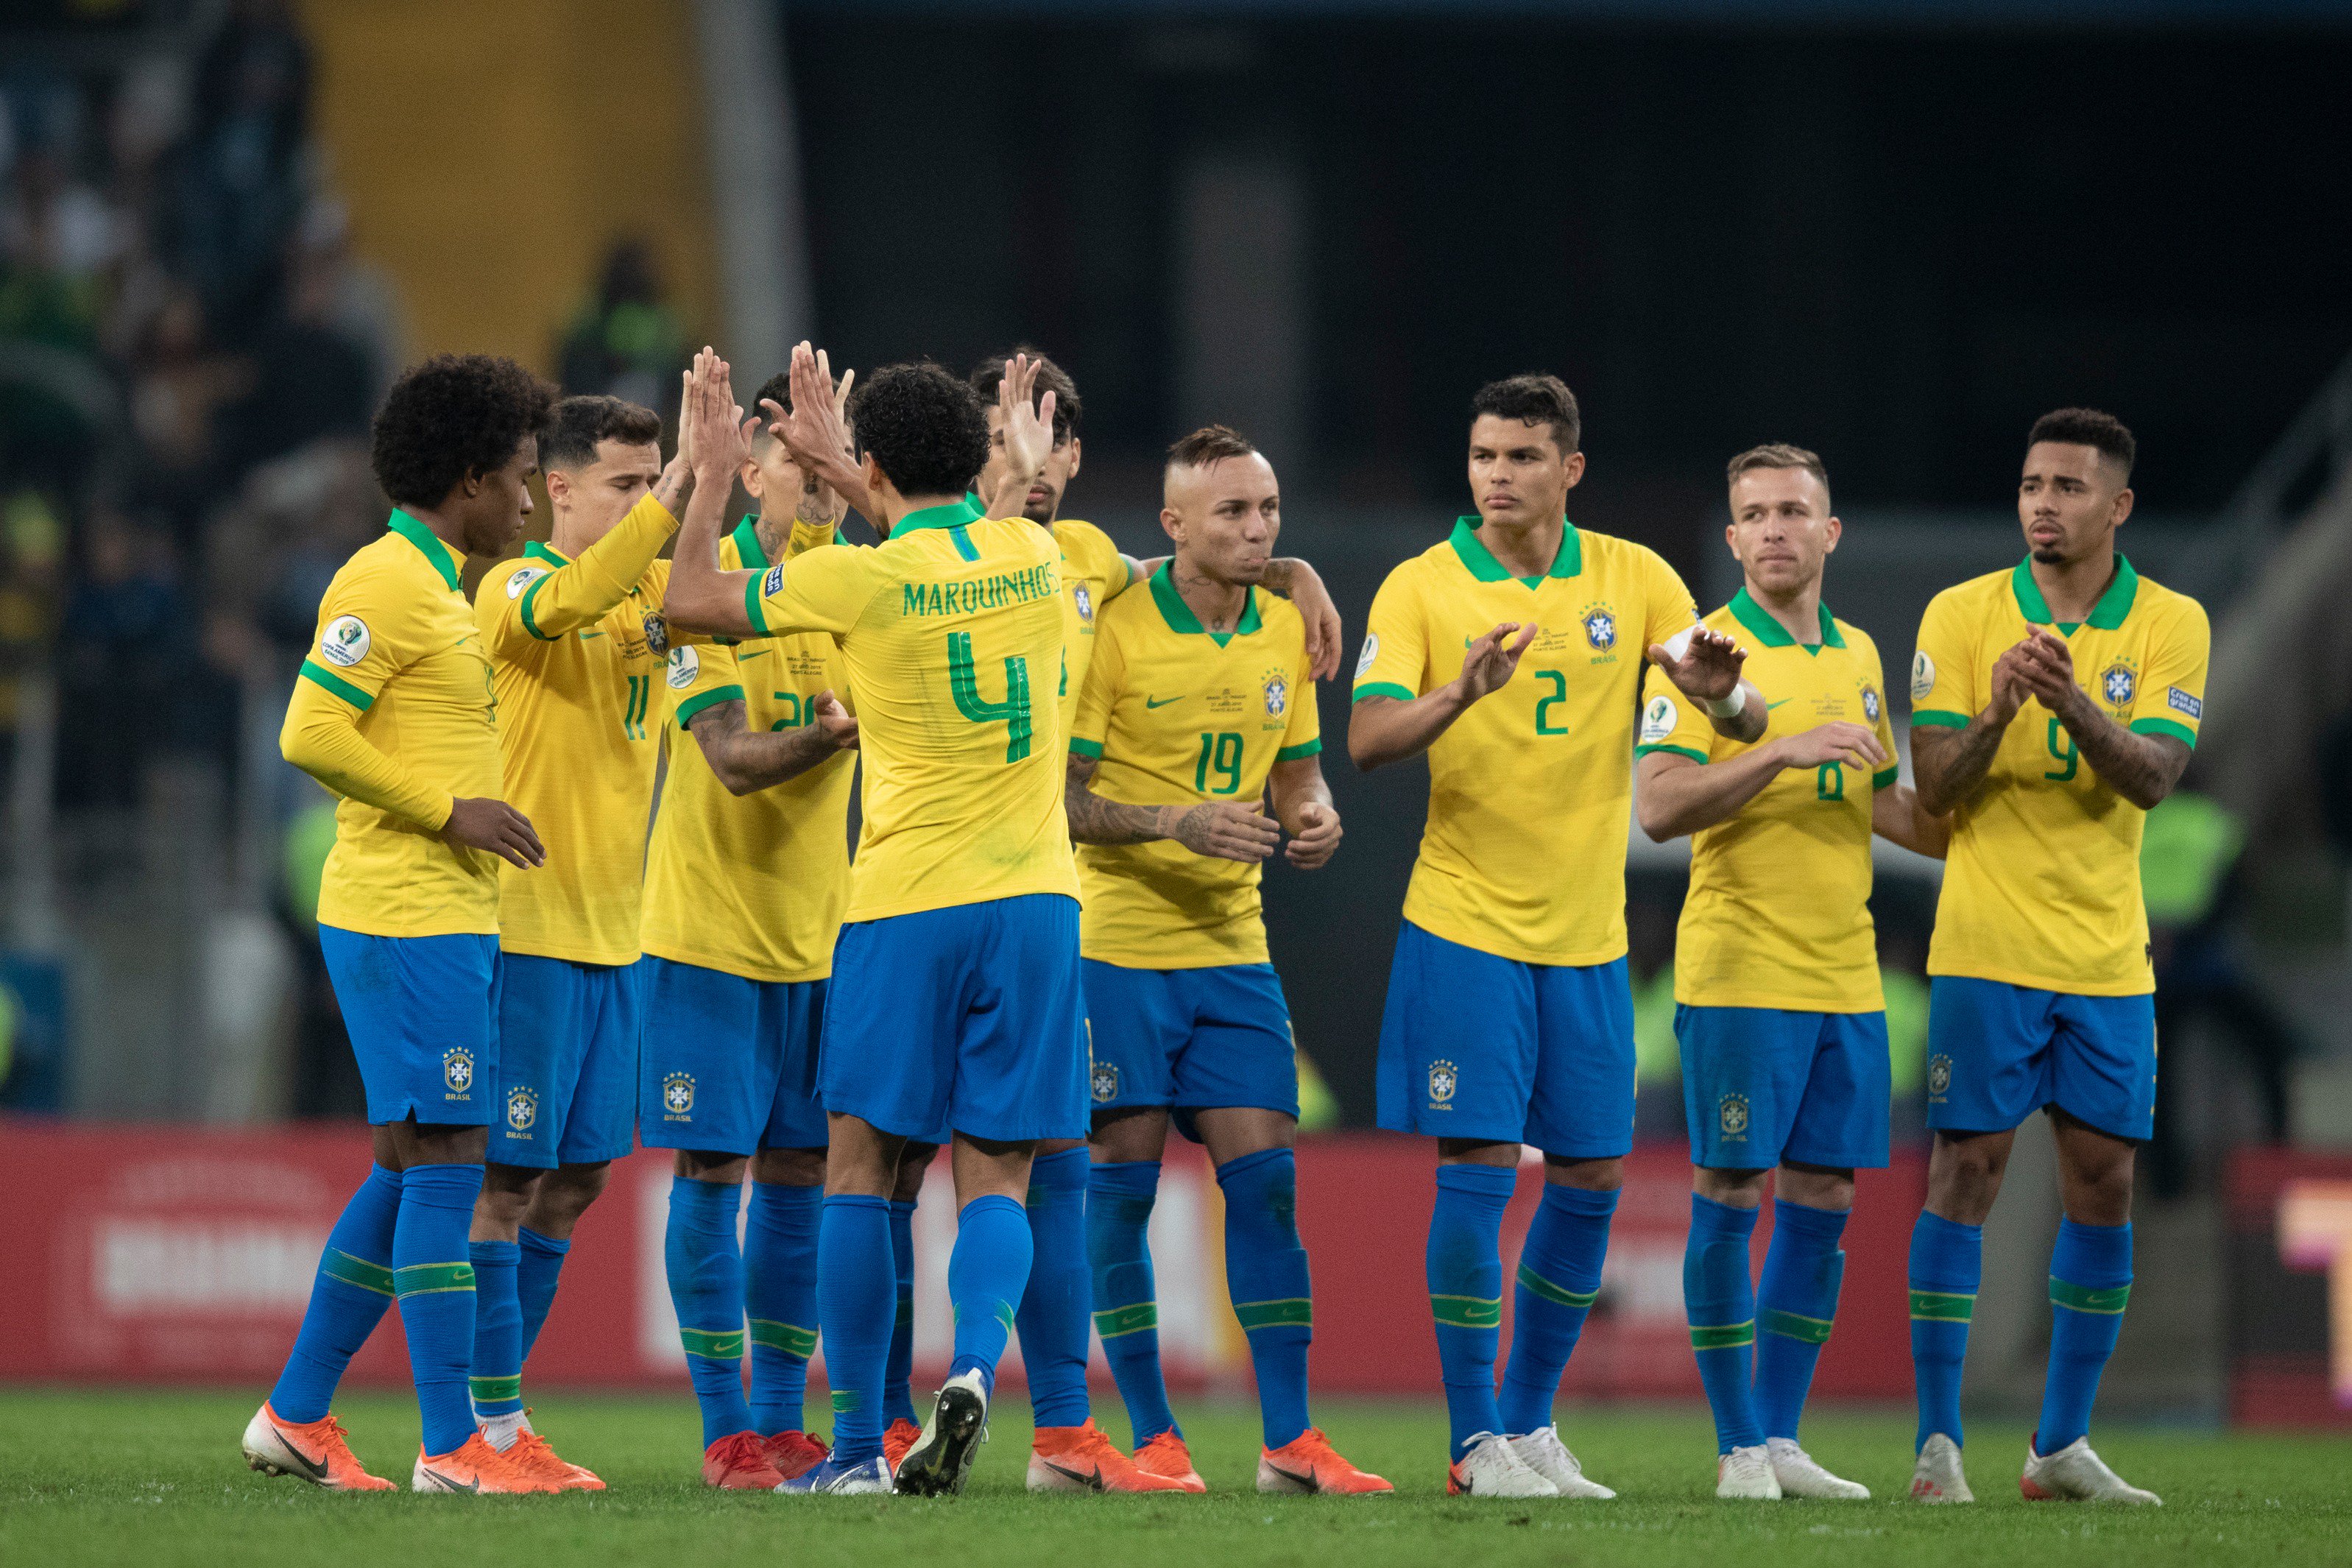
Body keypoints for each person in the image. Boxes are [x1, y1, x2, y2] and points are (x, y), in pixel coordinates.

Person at [793, 347, 1343, 1483]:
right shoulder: (1037, 557)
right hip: (1057, 907)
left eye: (1038, 439)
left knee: (989, 1168)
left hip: (949, 900)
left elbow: (1201, 549)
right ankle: (911, 1421)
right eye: (997, 441)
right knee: (949, 1172)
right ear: (973, 455)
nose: (1021, 464)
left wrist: (1287, 570)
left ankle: (1053, 1428)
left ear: (1074, 455)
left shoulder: (1089, 558)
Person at [665, 347, 1081, 1497]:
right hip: (1041, 903)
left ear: (876, 463)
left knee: (860, 1166)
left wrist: (712, 476)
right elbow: (954, 530)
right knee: (996, 1172)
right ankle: (977, 1366)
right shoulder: (1035, 551)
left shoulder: (860, 582)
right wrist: (864, 469)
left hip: (908, 906)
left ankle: (855, 1450)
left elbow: (687, 599)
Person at [1349, 373, 1765, 1499]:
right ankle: (1475, 1438)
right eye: (1484, 453)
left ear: (1569, 468)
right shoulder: (1423, 586)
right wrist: (1459, 693)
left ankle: (1530, 1427)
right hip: (1465, 923)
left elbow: (1738, 705)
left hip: (1585, 938)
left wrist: (1728, 702)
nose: (1497, 474)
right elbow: (1370, 736)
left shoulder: (1636, 578)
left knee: (1592, 1173)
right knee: (1479, 1163)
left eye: (1523, 456)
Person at [242, 353, 555, 1494]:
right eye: (520, 477)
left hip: (445, 916)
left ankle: (296, 1413)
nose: (530, 499)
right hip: (404, 912)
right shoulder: (382, 581)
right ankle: (451, 1445)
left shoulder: (441, 585)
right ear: (469, 478)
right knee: (448, 1160)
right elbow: (308, 731)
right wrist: (448, 809)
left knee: (408, 1159)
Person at [1065, 424, 1388, 1495]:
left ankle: (1290, 1440)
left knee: (1269, 1187)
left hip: (1233, 948)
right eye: (1233, 514)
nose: (1258, 533)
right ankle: (1155, 1436)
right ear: (1173, 527)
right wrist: (1175, 822)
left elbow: (1296, 772)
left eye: (1268, 513)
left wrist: (1318, 813)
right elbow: (1061, 800)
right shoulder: (1112, 628)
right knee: (1121, 1193)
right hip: (1116, 944)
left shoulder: (1285, 627)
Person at [1632, 444, 1949, 1500]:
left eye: (1793, 510)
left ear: (1830, 531)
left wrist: (1984, 823)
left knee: (1823, 1196)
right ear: (1731, 538)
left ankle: (1781, 1435)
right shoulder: (1698, 653)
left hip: (1846, 973)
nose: (1773, 528)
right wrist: (1775, 746)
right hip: (1740, 964)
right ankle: (1735, 1448)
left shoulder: (1861, 650)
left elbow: (1880, 802)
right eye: (1754, 513)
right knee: (1731, 1188)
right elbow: (1662, 806)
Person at [1904, 407, 2206, 1508]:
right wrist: (1999, 706)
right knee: (1965, 1172)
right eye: (2032, 482)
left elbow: (2155, 776)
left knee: (2105, 1182)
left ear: (2117, 506)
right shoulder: (1963, 611)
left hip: (2107, 957)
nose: (2043, 502)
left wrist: (2070, 697)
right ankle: (1940, 1446)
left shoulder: (2172, 623)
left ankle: (2059, 1446)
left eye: (2070, 486)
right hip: (1986, 946)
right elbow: (1935, 785)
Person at [463, 379, 702, 1488]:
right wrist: (684, 498)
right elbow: (572, 604)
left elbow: (769, 583)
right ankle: (483, 1427)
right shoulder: (516, 586)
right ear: (558, 490)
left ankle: (503, 1419)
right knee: (505, 1183)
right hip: (528, 931)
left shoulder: (655, 589)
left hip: (619, 937)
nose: (647, 500)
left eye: (655, 479)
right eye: (627, 483)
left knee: (576, 1182)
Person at [636, 368, 859, 1489]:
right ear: (756, 461)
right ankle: (729, 1429)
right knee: (715, 1172)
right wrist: (830, 740)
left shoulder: (848, 584)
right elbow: (726, 759)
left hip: (822, 942)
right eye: (808, 457)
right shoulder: (697, 591)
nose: (827, 481)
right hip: (709, 941)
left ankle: (782, 1422)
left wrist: (1295, 568)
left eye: (843, 458)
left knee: (801, 1177)